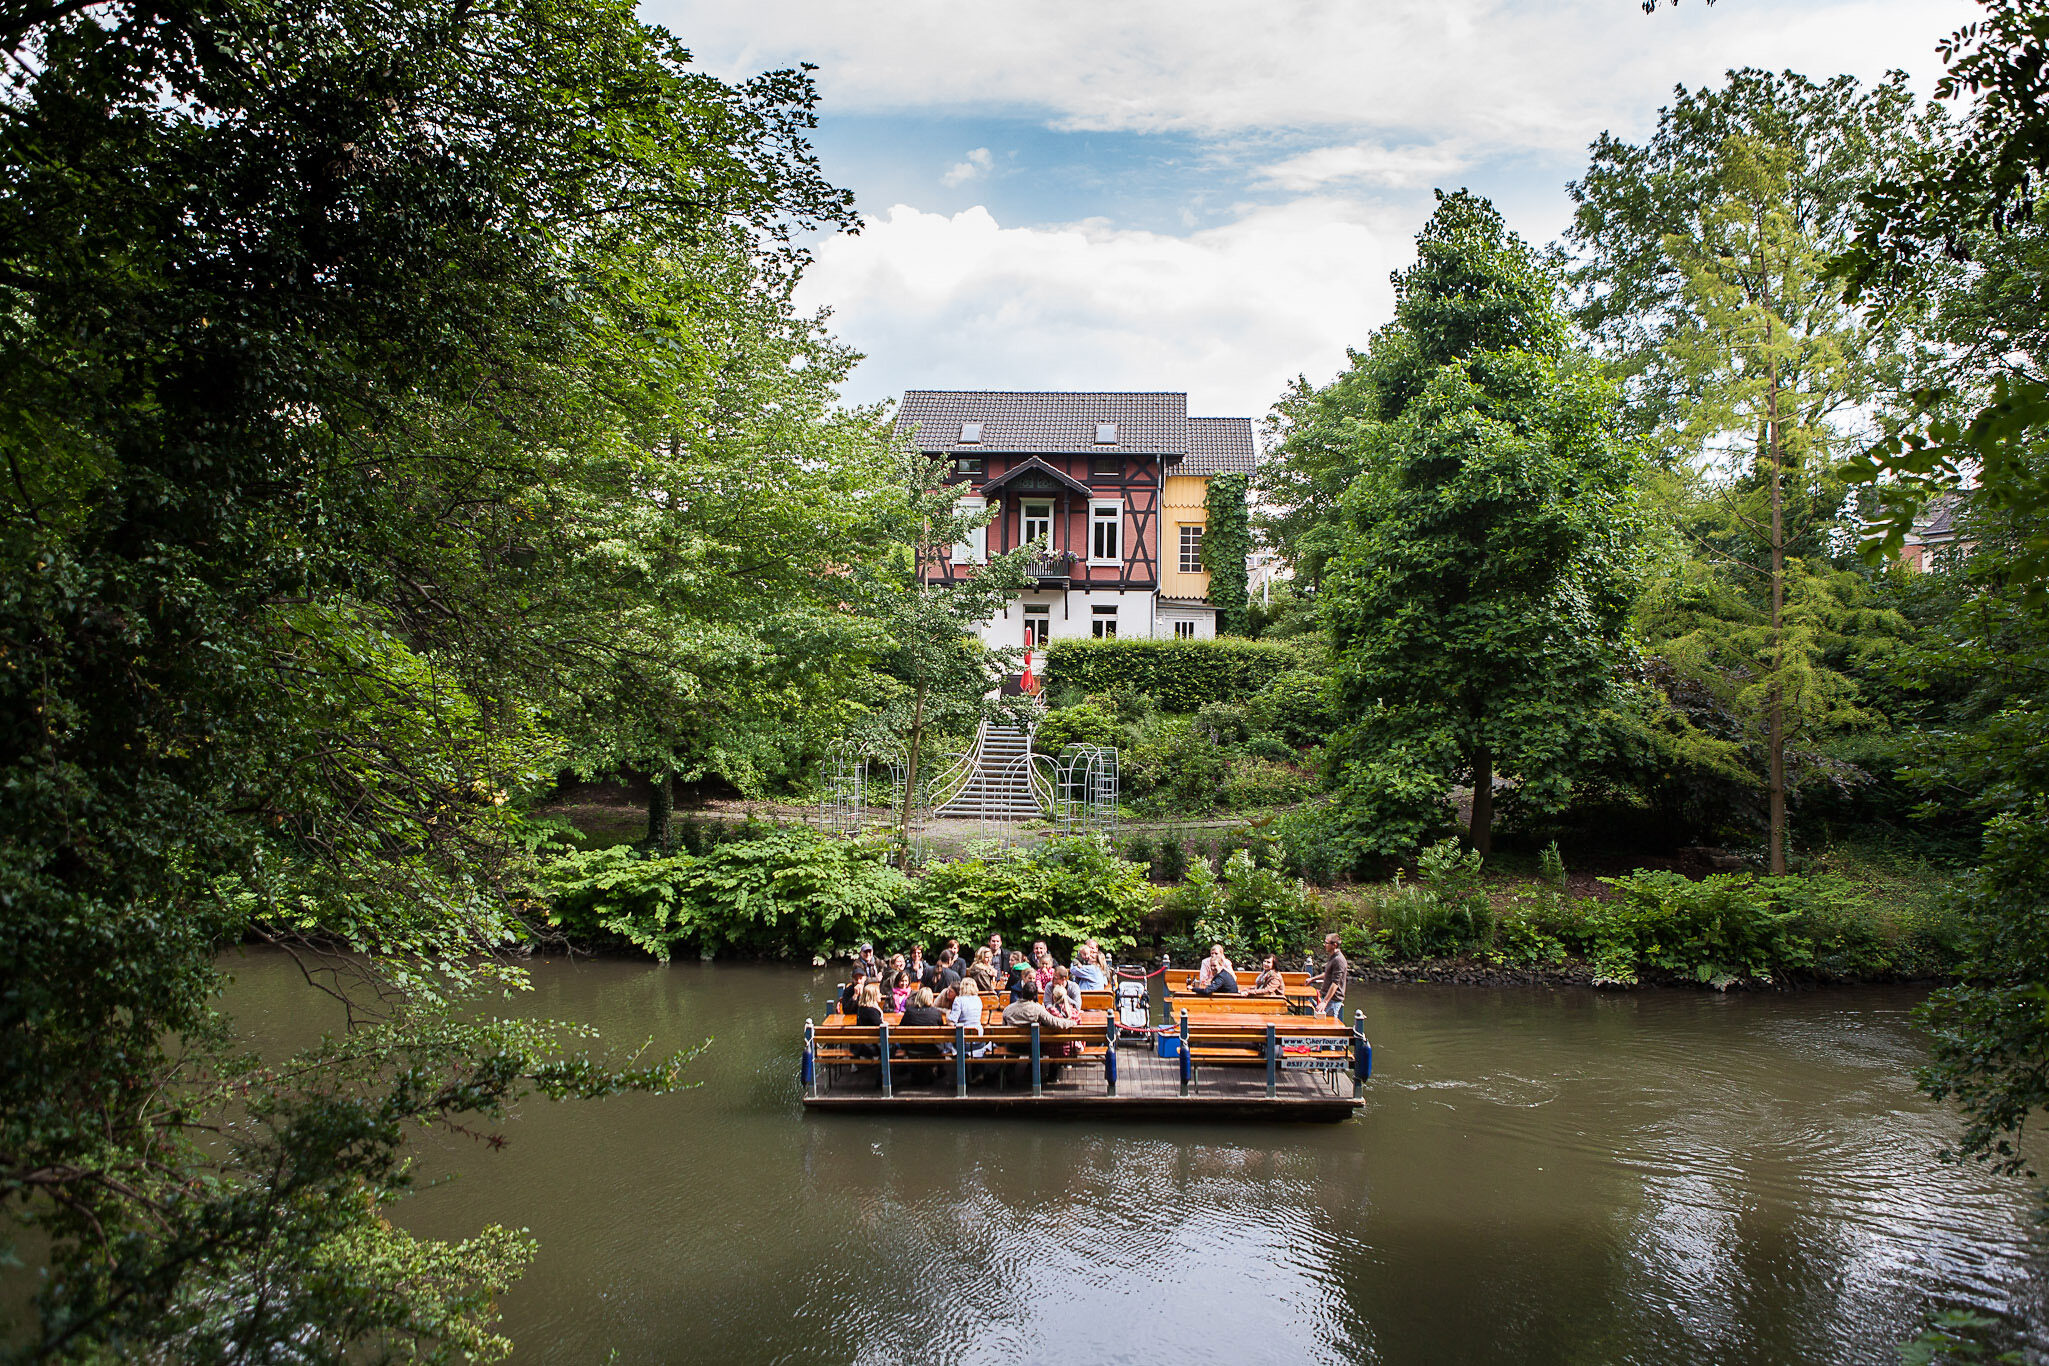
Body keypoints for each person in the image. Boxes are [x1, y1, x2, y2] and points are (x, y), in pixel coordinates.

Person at [1001, 979, 1077, 1080]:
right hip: (1032, 1046)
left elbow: (1003, 1026)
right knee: (1040, 1042)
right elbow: (1054, 1022)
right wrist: (1071, 1022)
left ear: (1022, 993)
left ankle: (1009, 1072)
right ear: (1034, 995)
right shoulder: (1037, 1008)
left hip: (1012, 1046)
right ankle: (1032, 1072)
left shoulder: (1008, 1009)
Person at [943, 980, 988, 1060]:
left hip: (963, 1041)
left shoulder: (959, 1000)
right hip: (979, 1040)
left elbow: (951, 1022)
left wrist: (947, 1015)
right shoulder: (978, 1000)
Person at [1311, 932, 1348, 1018]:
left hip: (1333, 1000)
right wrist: (1312, 979)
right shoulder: (1332, 956)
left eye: (1326, 943)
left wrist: (1325, 1002)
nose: (1324, 945)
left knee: (1328, 1025)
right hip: (1327, 997)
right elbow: (1327, 974)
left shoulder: (1339, 960)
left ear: (1334, 945)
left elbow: (1335, 983)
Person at [851, 980, 885, 1066]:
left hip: (863, 1043)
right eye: (878, 993)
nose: (880, 995)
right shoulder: (872, 1011)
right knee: (893, 1045)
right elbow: (880, 1026)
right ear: (873, 996)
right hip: (870, 1047)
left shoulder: (862, 1008)